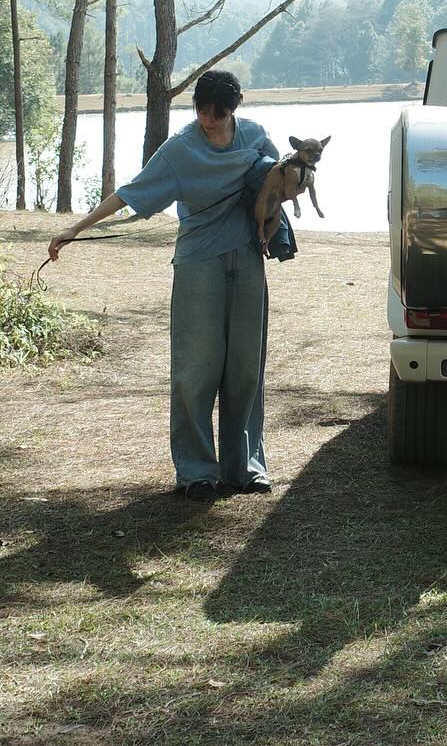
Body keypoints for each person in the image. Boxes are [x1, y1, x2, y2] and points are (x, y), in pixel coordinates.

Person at [48, 69, 280, 500]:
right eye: (202, 110)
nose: (208, 120)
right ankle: (196, 472)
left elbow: (280, 181)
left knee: (246, 368)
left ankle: (245, 467)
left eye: (217, 112)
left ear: (233, 109)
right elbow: (129, 192)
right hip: (199, 265)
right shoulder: (180, 150)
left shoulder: (255, 136)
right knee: (196, 368)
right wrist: (75, 229)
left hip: (248, 260)